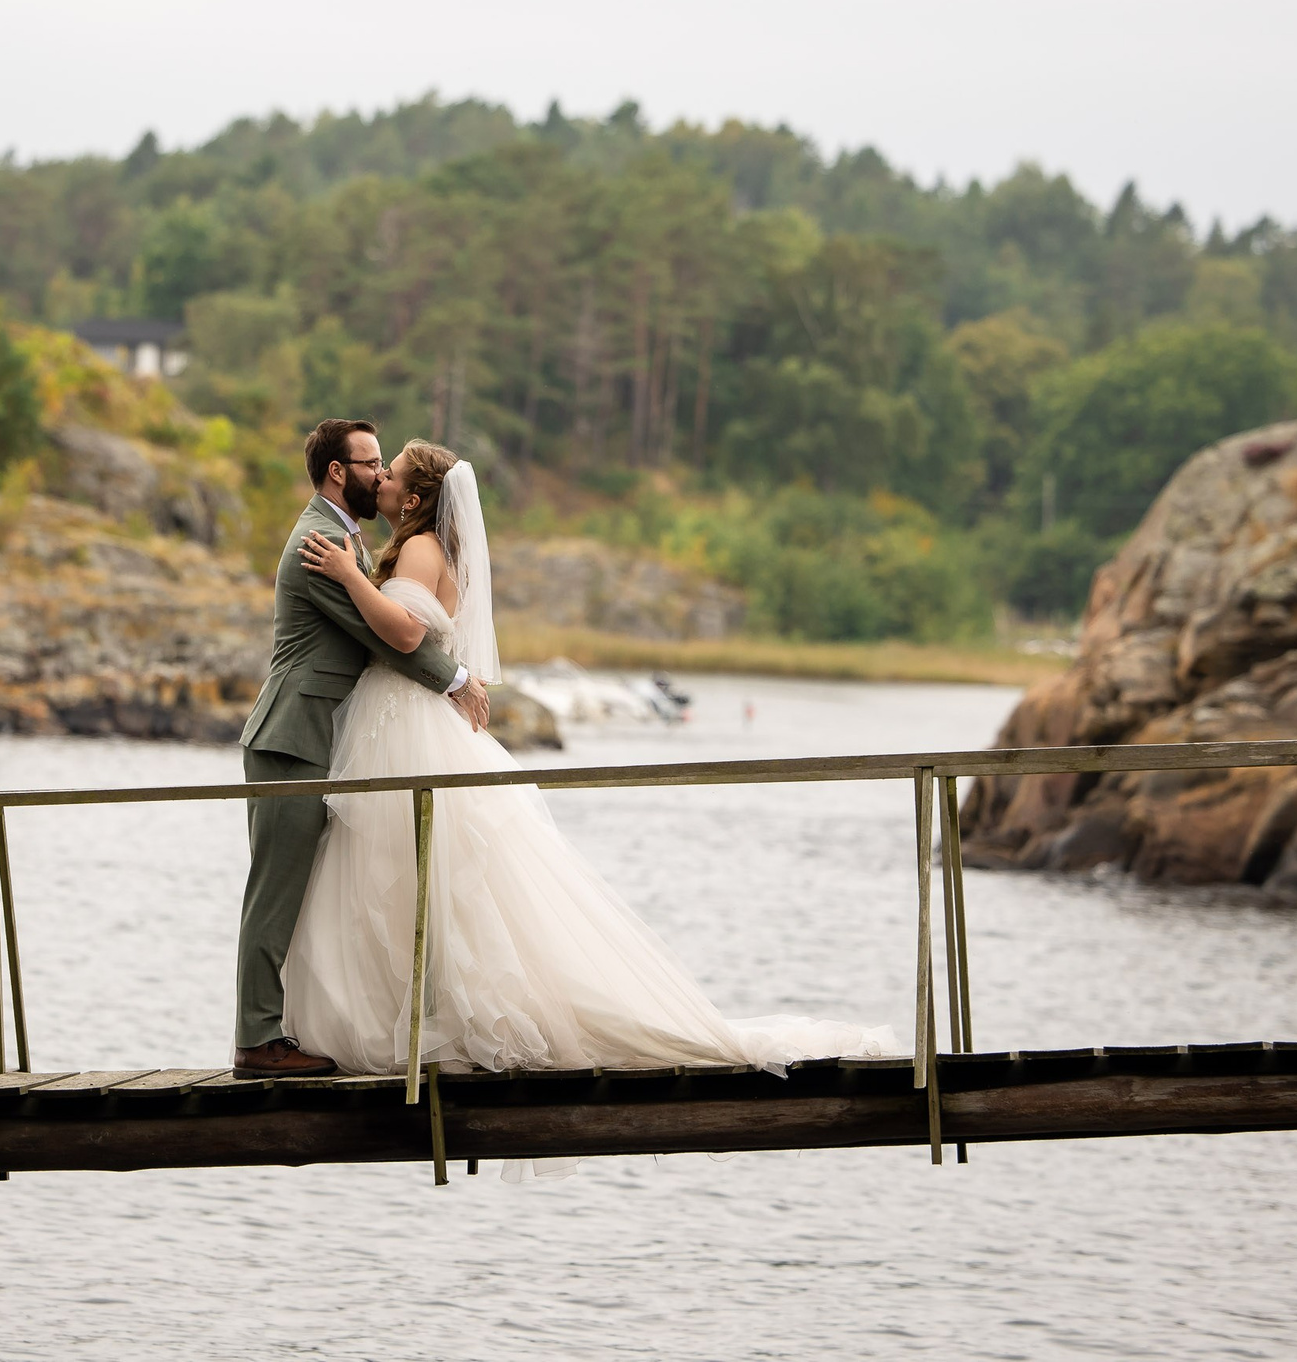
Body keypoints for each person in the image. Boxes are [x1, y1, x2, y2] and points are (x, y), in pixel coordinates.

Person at [282, 439, 892, 1093]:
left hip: (404, 723)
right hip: (400, 717)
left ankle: (421, 1017)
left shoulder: (424, 548)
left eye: (392, 472)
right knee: (402, 874)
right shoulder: (419, 546)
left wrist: (350, 577)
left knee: (403, 872)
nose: (381, 480)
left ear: (413, 496)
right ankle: (411, 1009)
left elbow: (402, 635)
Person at [231, 419, 490, 1077]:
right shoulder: (320, 543)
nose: (381, 473)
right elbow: (386, 637)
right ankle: (258, 1041)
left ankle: (290, 1026)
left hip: (321, 738)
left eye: (387, 464)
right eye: (372, 462)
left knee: (312, 889)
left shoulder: (349, 536)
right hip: (293, 738)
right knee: (275, 891)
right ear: (339, 472)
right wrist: (456, 681)